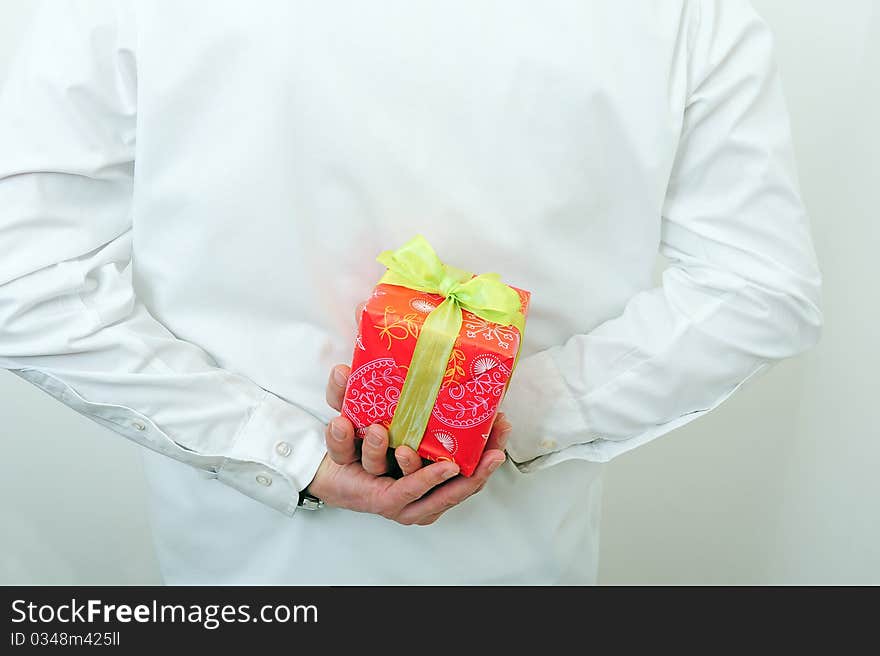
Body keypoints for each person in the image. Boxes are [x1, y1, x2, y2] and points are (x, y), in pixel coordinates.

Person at [0, 0, 822, 584]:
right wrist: (495, 416)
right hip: (523, 567)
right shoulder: (689, 14)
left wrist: (281, 450)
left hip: (240, 574)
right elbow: (756, 288)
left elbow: (24, 279)